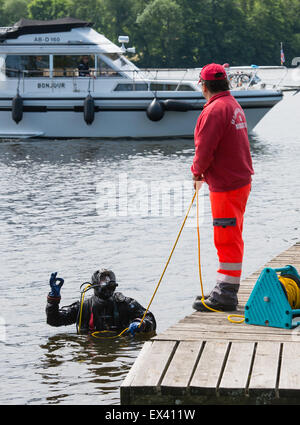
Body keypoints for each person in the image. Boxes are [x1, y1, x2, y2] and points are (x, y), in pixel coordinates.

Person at [191, 63, 254, 312]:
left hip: (226, 185)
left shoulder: (214, 110)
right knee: (231, 235)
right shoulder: (233, 105)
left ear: (204, 86)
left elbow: (204, 150)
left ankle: (226, 294)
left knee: (226, 238)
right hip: (239, 180)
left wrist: (196, 173)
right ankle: (224, 288)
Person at [46, 269, 156, 336]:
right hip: (91, 348)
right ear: (94, 285)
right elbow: (54, 320)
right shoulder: (84, 307)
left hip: (120, 348)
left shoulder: (125, 303)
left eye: (110, 280)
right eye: (104, 281)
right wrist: (53, 299)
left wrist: (142, 324)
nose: (108, 284)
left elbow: (149, 318)